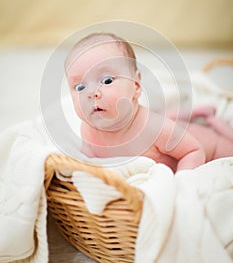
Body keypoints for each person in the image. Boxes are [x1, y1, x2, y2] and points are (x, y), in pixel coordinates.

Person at [65, 32, 233, 172]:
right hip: (171, 128)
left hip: (209, 146)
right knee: (169, 120)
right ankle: (197, 114)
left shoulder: (154, 127)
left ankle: (220, 128)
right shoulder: (87, 131)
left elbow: (194, 150)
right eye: (80, 87)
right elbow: (88, 165)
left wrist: (181, 183)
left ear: (136, 86)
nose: (91, 93)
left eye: (107, 80)